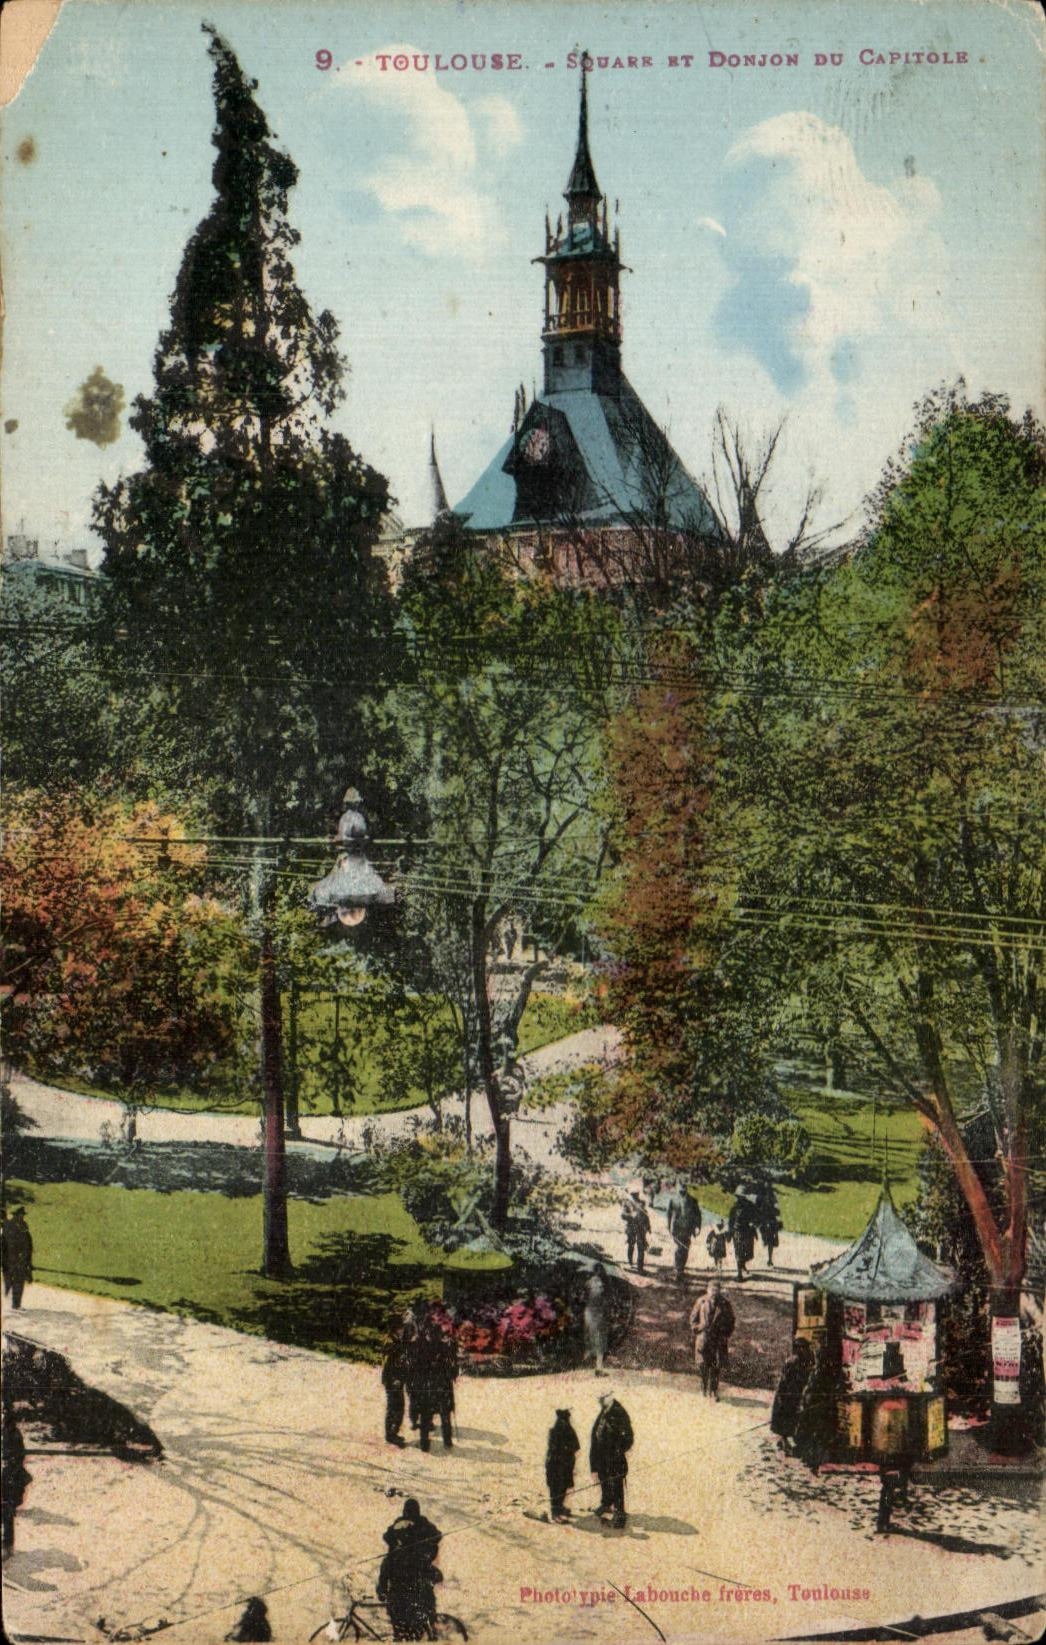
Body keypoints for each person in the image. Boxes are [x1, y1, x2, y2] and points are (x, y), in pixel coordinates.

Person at [377, 1499, 443, 1641]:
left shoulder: (397, 1551)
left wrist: (382, 1589)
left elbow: (385, 1568)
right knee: (415, 1625)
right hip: (413, 1589)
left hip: (403, 1589)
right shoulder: (415, 1530)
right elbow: (436, 1537)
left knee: (405, 1627)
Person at [793, 1345, 841, 1474]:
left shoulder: (824, 1373)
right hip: (811, 1408)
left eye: (818, 1356)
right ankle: (809, 1459)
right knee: (810, 1434)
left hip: (819, 1409)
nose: (816, 1358)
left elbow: (822, 1391)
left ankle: (814, 1462)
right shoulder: (816, 1371)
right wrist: (805, 1403)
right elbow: (809, 1389)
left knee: (817, 1436)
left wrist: (813, 1402)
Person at [589, 1392, 633, 1528]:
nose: (599, 1402)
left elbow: (629, 1437)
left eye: (602, 1399)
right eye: (599, 1399)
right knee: (604, 1479)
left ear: (609, 1397)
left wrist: (618, 1451)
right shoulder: (604, 1411)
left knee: (616, 1485)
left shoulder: (619, 1412)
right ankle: (606, 1504)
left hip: (614, 1458)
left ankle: (620, 1514)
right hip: (602, 1456)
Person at [689, 1279, 735, 1399]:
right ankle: (703, 1389)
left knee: (716, 1367)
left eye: (716, 1290)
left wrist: (725, 1334)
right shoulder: (701, 1301)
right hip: (704, 1339)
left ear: (719, 1291)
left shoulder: (725, 1304)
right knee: (703, 1366)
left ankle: (713, 1391)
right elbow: (693, 1319)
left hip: (718, 1340)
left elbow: (731, 1321)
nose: (714, 1292)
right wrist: (699, 1328)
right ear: (707, 1290)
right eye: (712, 1290)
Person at [770, 1337, 815, 1454]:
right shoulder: (793, 1361)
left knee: (790, 1419)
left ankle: (784, 1442)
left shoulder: (803, 1360)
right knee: (786, 1418)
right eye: (802, 1348)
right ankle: (784, 1443)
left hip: (793, 1393)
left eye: (805, 1348)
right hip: (787, 1394)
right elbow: (786, 1380)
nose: (804, 1350)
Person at [1, 1397, 31, 1557]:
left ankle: (7, 1546)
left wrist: (9, 1464)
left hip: (8, 1475)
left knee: (7, 1511)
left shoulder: (13, 1433)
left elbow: (19, 1455)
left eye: (3, 1412)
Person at [545, 1408, 579, 1522]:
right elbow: (575, 1446)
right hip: (559, 1465)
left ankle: (558, 1508)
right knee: (557, 1488)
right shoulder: (562, 1429)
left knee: (559, 1488)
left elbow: (575, 1446)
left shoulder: (558, 1429)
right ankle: (556, 1512)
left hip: (561, 1465)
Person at [666, 1182, 701, 1285]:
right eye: (680, 1190)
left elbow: (698, 1215)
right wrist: (668, 1226)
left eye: (683, 1190)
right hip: (677, 1228)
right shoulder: (673, 1200)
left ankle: (681, 1269)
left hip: (688, 1229)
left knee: (685, 1249)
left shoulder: (693, 1201)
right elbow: (668, 1213)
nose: (681, 1192)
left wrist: (698, 1227)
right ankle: (678, 1270)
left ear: (686, 1190)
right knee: (679, 1248)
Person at [381, 1314, 409, 1447]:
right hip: (392, 1379)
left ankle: (393, 1433)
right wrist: (394, 1379)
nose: (402, 1329)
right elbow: (387, 1364)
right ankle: (390, 1435)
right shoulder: (390, 1342)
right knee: (394, 1407)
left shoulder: (397, 1340)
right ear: (395, 1328)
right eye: (400, 1327)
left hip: (398, 1378)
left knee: (399, 1407)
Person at [1, 1207, 33, 1310]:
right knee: (10, 1281)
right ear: (15, 1215)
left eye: (22, 1215)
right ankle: (8, 1302)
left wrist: (27, 1260)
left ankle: (16, 1304)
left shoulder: (23, 1225)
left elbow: (28, 1242)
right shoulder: (9, 1226)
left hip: (21, 1259)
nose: (22, 1217)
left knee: (19, 1282)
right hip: (11, 1259)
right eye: (20, 1215)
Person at [582, 1263, 610, 1372]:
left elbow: (583, 1297)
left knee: (593, 1334)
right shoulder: (599, 1284)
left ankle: (597, 1362)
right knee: (596, 1335)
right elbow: (585, 1297)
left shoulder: (590, 1283)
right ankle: (597, 1362)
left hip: (594, 1311)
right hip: (594, 1311)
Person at [727, 1197, 756, 1281]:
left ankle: (740, 1271)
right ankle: (741, 1271)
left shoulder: (737, 1208)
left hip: (740, 1233)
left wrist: (729, 1234)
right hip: (743, 1233)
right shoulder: (746, 1208)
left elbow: (730, 1223)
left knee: (741, 1253)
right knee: (743, 1252)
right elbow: (754, 1220)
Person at [621, 1192, 651, 1273]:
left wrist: (648, 1226)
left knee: (641, 1248)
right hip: (631, 1227)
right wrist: (631, 1215)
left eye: (636, 1194)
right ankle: (630, 1262)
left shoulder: (642, 1203)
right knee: (631, 1245)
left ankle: (640, 1267)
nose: (635, 1196)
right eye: (633, 1195)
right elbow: (622, 1215)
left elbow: (645, 1215)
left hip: (641, 1229)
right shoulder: (627, 1203)